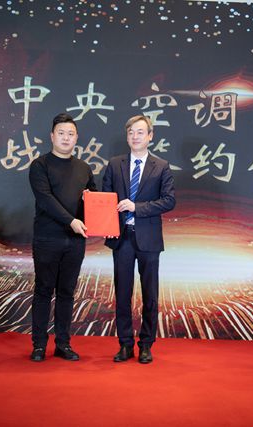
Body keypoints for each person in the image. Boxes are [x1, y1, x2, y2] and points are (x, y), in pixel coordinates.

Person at [102, 115, 176, 364]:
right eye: (131, 132)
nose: (135, 136)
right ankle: (125, 344)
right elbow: (106, 199)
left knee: (150, 294)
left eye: (140, 132)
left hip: (149, 239)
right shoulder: (115, 164)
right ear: (127, 136)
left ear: (150, 136)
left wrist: (137, 207)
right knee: (122, 293)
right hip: (121, 237)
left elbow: (169, 200)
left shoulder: (161, 166)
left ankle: (146, 345)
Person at [28, 112, 96, 362]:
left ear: (76, 138)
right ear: (52, 136)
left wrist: (94, 207)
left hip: (75, 241)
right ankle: (38, 345)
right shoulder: (40, 165)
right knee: (44, 290)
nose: (66, 138)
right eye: (61, 133)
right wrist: (71, 221)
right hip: (47, 238)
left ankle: (63, 344)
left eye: (70, 134)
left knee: (67, 292)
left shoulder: (84, 168)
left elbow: (94, 200)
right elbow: (45, 200)